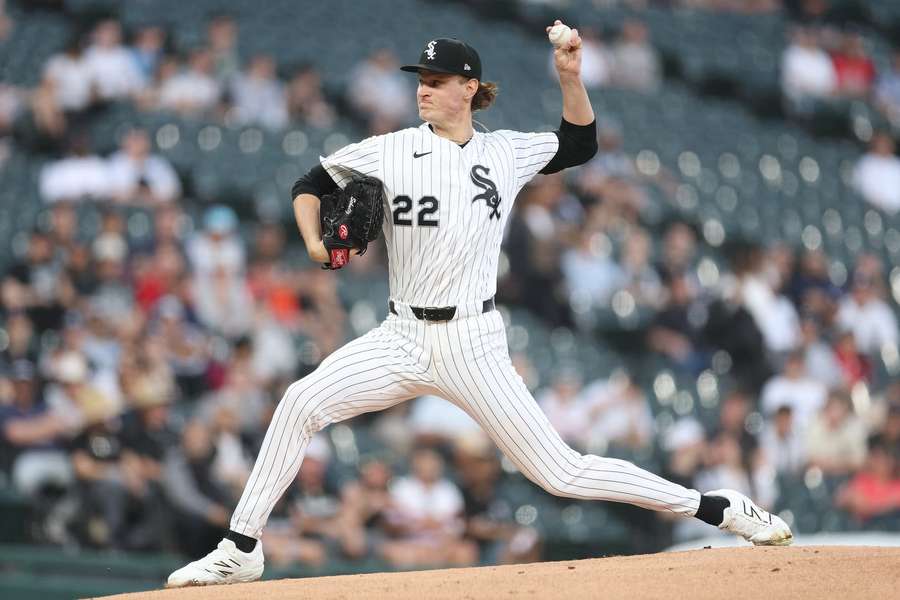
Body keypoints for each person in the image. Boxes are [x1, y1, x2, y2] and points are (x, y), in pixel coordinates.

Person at [167, 22, 792, 588]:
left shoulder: (505, 152)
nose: (423, 90)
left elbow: (579, 144)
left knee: (561, 474)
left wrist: (570, 78)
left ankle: (716, 507)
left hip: (473, 341)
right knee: (300, 401)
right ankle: (240, 546)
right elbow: (310, 184)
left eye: (437, 81)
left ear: (469, 87)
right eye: (421, 80)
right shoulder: (387, 150)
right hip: (401, 336)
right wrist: (313, 243)